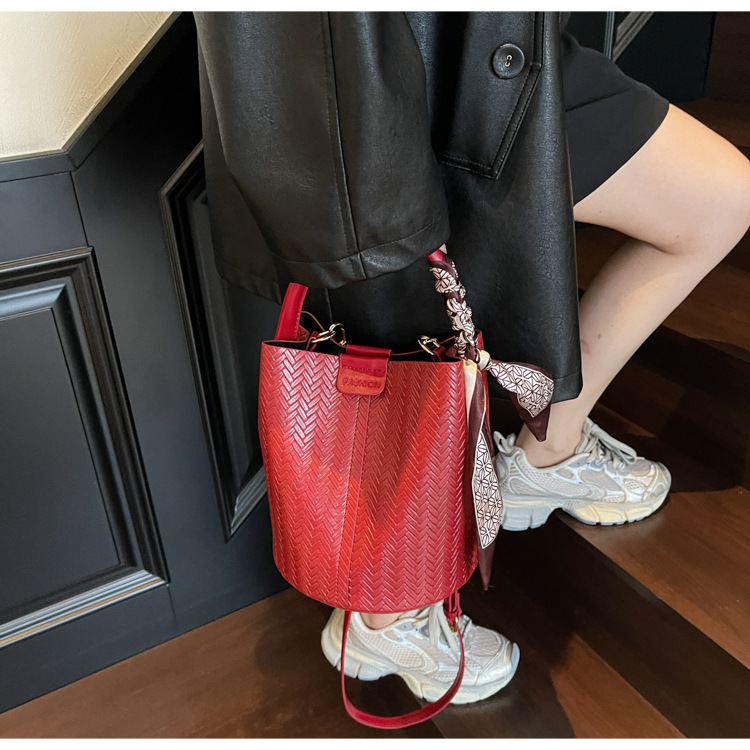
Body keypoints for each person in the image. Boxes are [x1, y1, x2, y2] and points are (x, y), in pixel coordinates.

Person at [193, 13, 750, 707]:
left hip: (510, 52)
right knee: (394, 359)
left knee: (719, 199)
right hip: (376, 81)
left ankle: (551, 451)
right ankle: (384, 622)